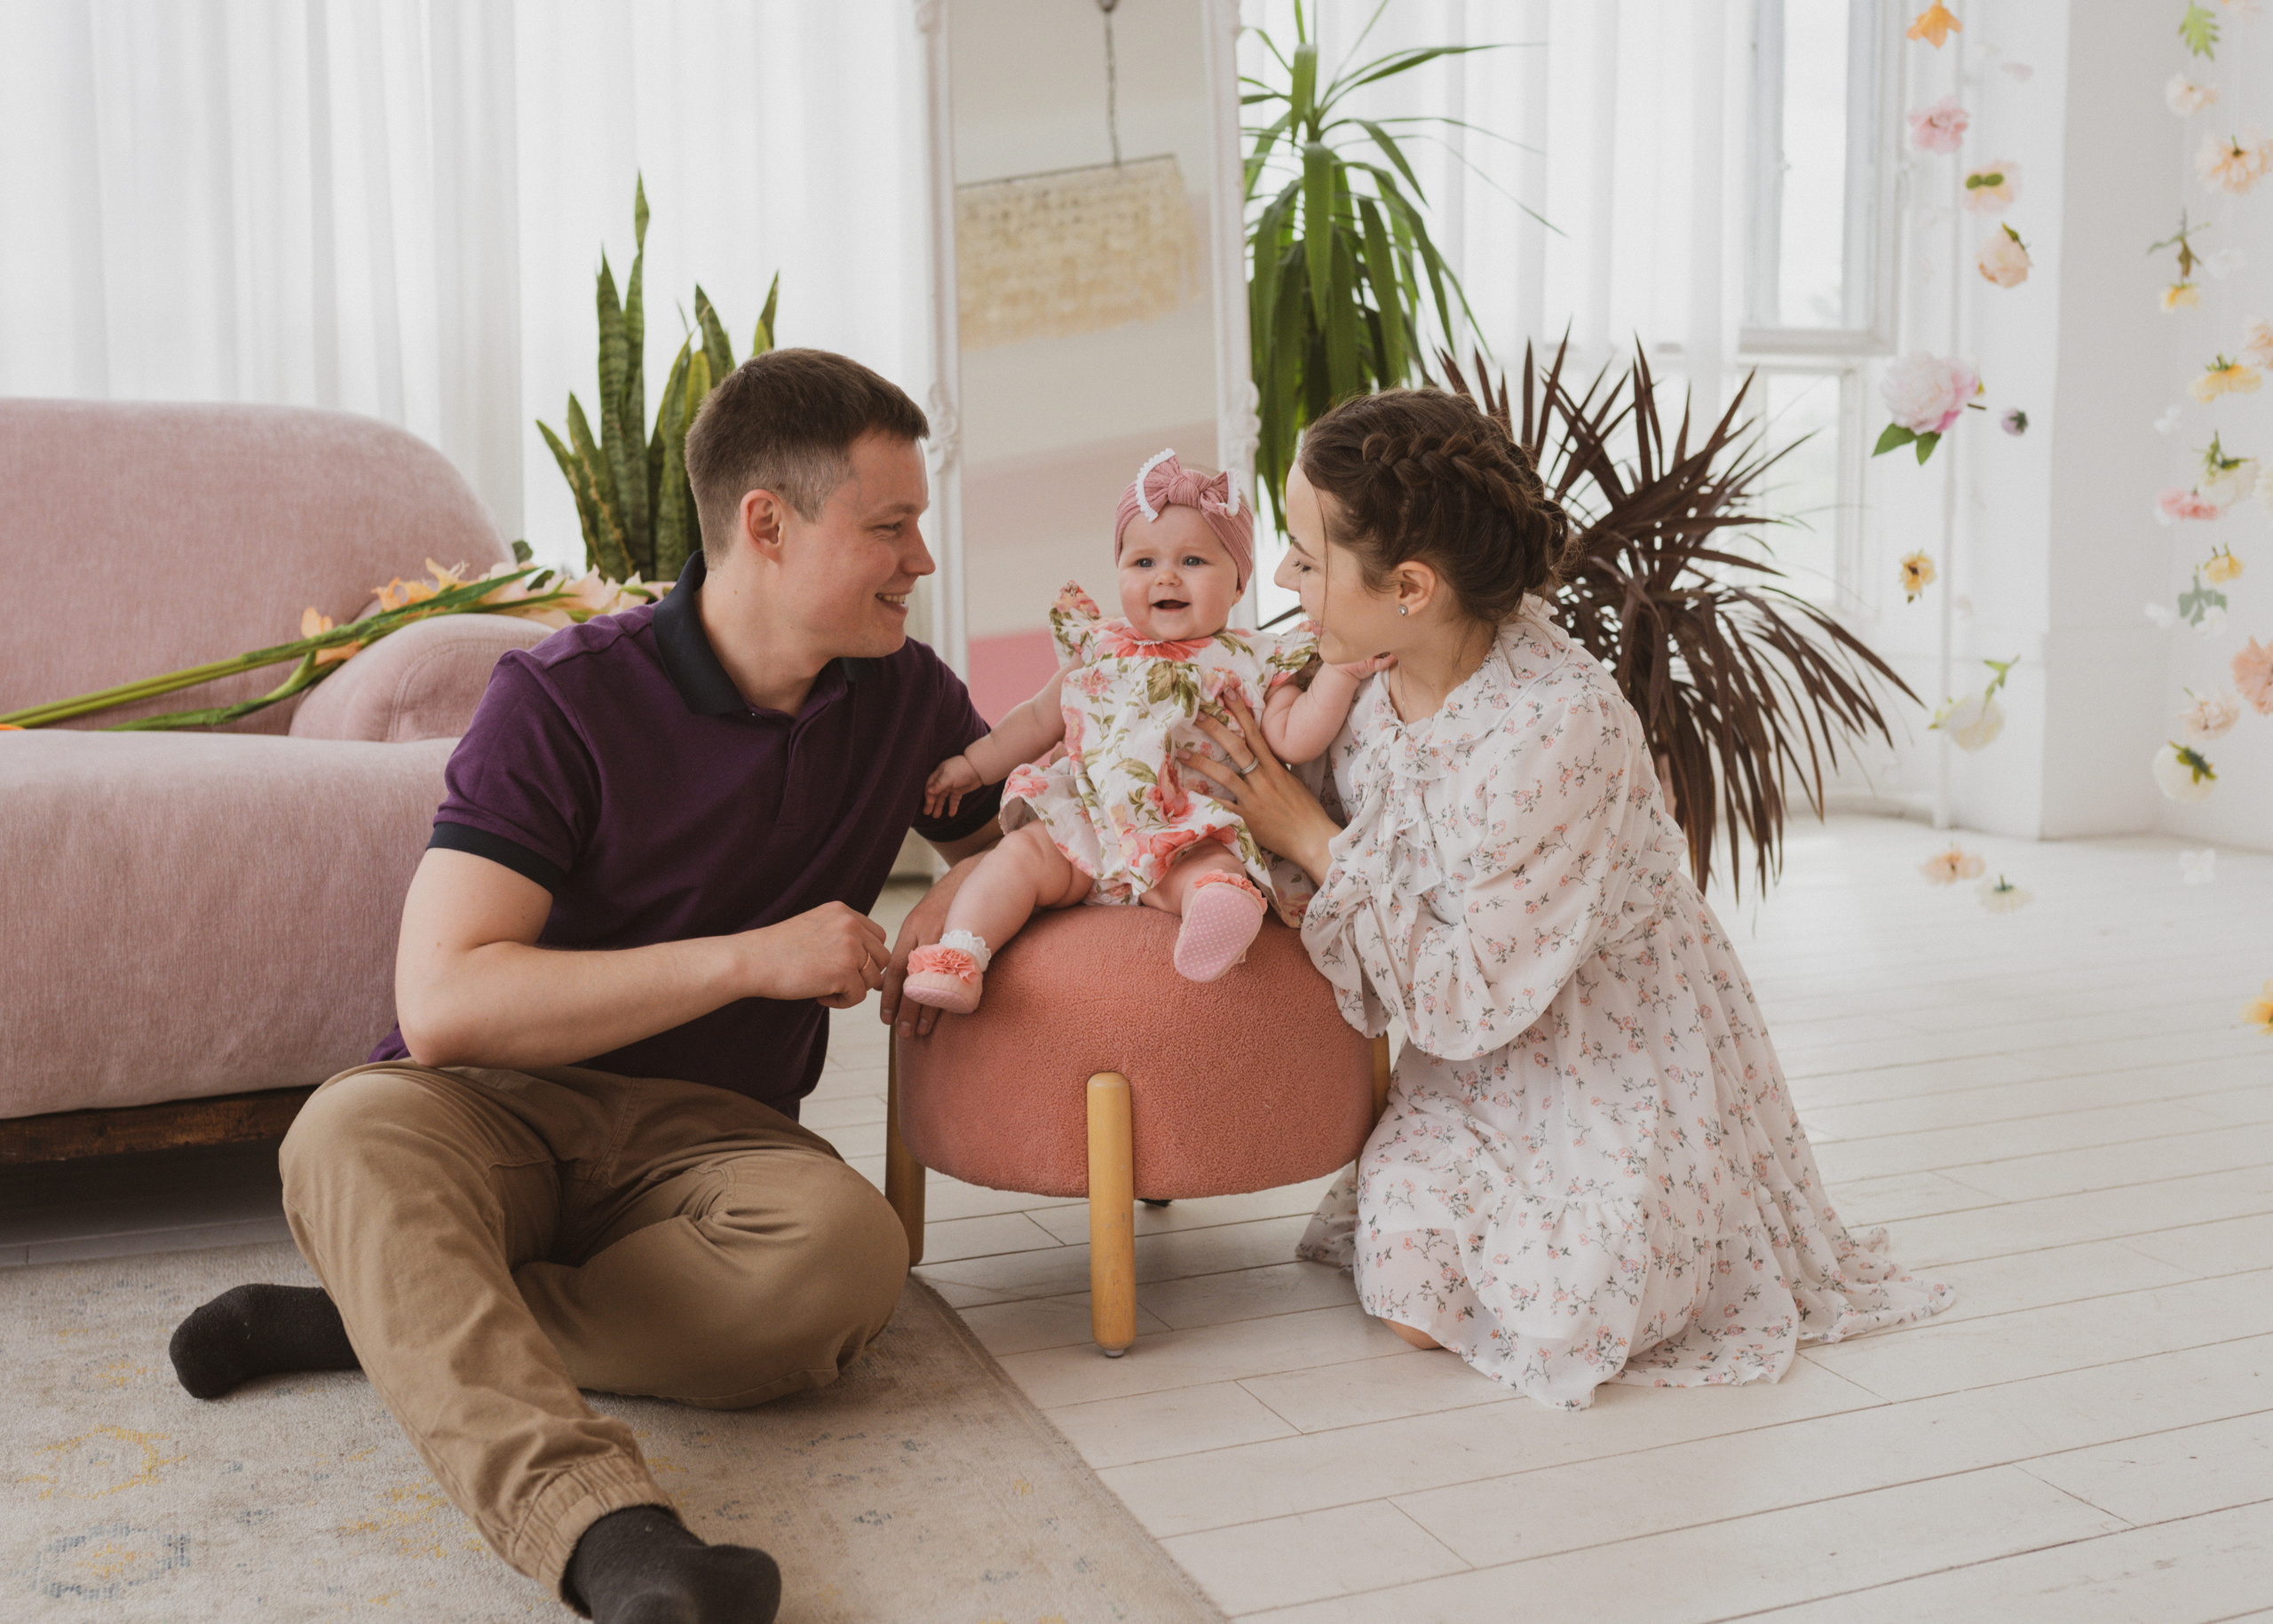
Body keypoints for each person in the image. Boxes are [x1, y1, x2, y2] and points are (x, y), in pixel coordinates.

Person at [165, 349, 1003, 1623]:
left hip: (712, 1148)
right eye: (891, 527)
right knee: (344, 1131)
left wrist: (966, 900)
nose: (921, 561)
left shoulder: (910, 702)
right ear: (767, 525)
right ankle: (612, 1540)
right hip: (489, 1105)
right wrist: (754, 958)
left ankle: (397, 1317)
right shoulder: (559, 701)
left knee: (845, 1262)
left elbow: (1023, 851)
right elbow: (447, 1002)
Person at [1178, 387, 1953, 1410]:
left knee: (1564, 1312)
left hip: (1611, 1050)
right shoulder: (1358, 666)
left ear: (1410, 585)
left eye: (1307, 559)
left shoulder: (1555, 729)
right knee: (1413, 1292)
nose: (1281, 577)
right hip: (1470, 1065)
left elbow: (1464, 989)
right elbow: (1288, 806)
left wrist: (1309, 840)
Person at [901, 450, 1381, 1013]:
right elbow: (1035, 719)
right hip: (1088, 822)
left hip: (1187, 829)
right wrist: (974, 765)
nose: (1167, 577)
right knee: (1017, 858)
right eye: (1144, 563)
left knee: (1213, 869)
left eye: (1194, 561)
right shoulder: (1101, 648)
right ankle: (961, 954)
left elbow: (1294, 738)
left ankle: (1218, 909)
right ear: (1120, 570)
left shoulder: (1254, 661)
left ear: (1237, 583)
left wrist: (1342, 674)